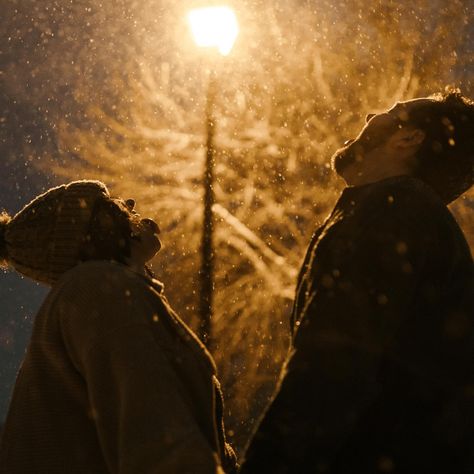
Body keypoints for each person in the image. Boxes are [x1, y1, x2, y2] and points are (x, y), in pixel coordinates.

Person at [240, 90, 474, 473]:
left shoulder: (390, 211)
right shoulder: (413, 217)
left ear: (408, 139)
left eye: (392, 111)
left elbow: (331, 364)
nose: (370, 111)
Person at [0, 180, 237, 474]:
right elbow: (161, 446)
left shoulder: (102, 294)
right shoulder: (98, 290)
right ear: (94, 233)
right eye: (111, 204)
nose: (130, 204)